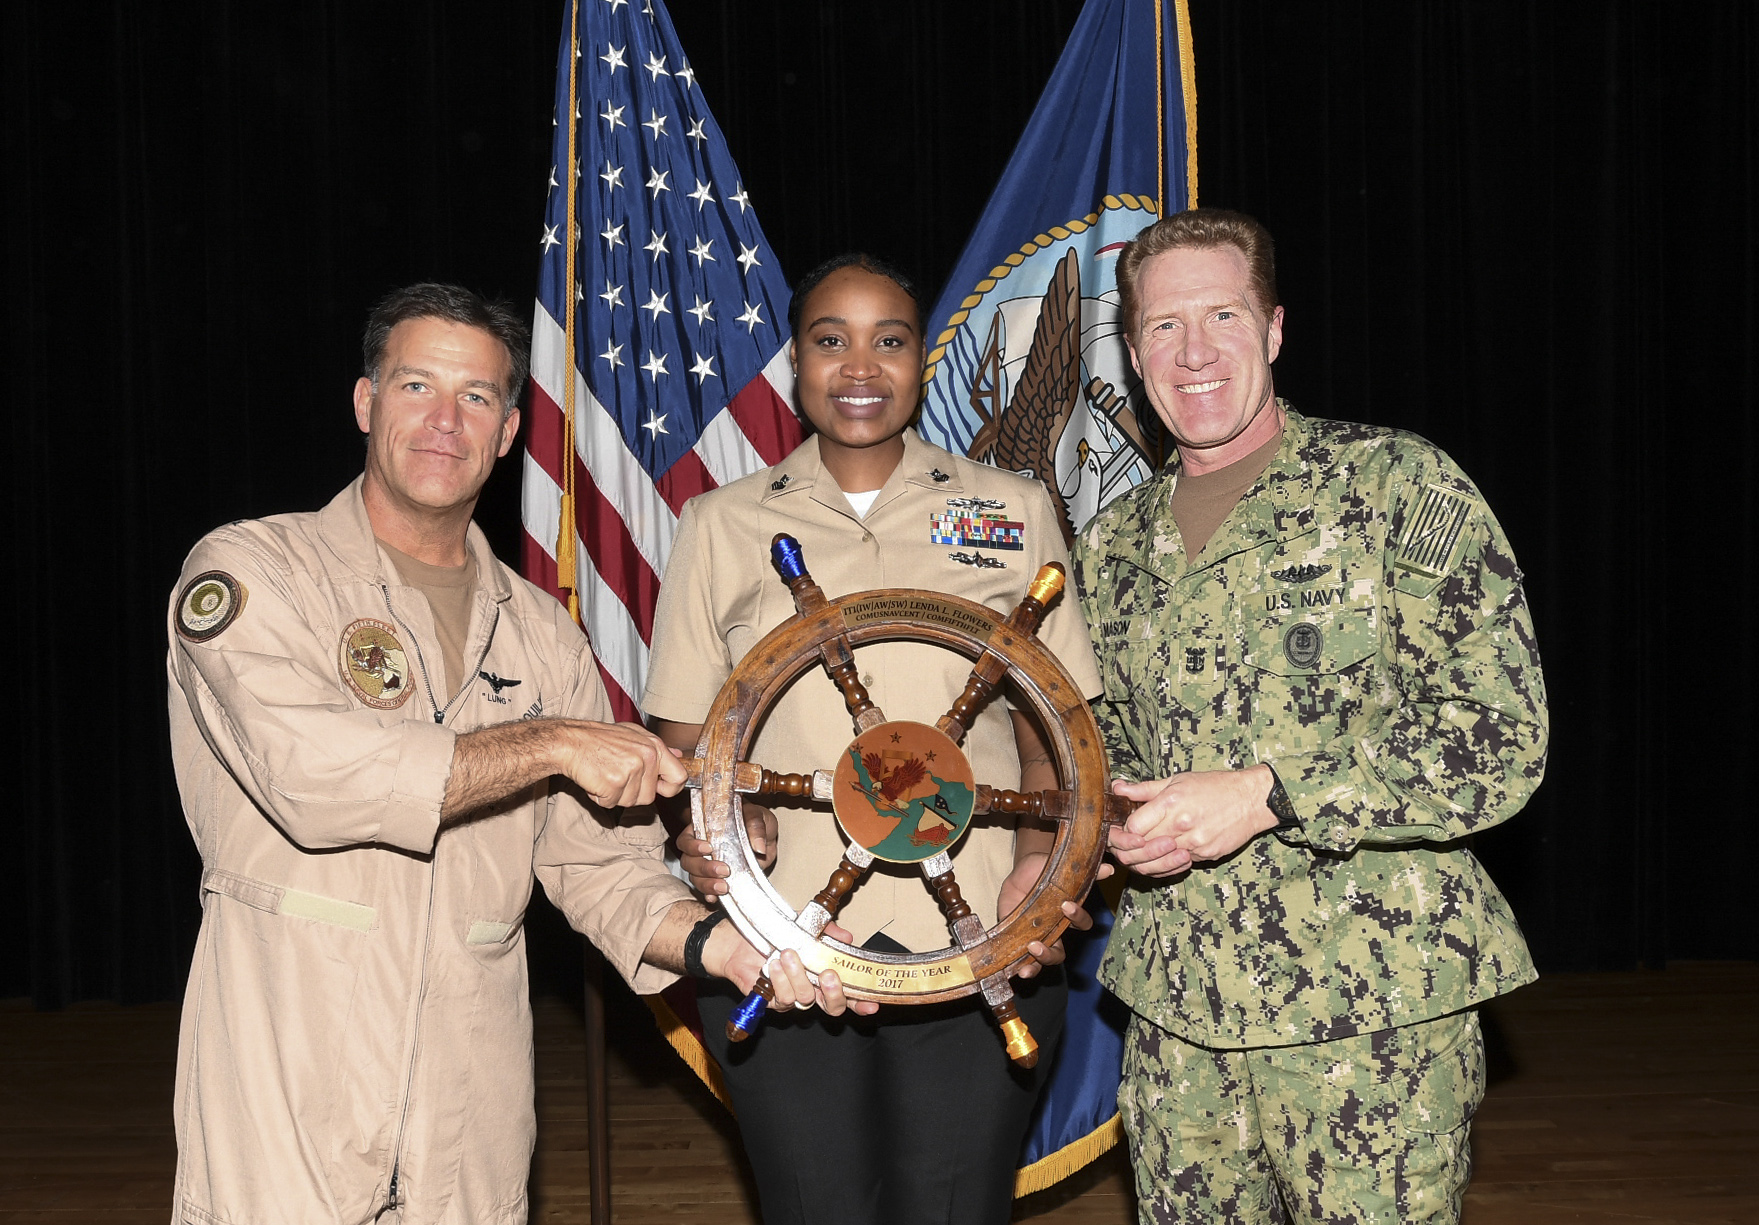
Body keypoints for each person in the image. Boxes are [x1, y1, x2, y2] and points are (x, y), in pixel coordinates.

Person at [164, 283, 845, 1225]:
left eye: (476, 397)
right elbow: (315, 779)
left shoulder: (538, 636)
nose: (444, 421)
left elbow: (596, 866)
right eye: (416, 387)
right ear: (366, 403)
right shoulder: (253, 573)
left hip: (468, 1104)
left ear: (510, 428)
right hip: (288, 1071)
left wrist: (730, 947)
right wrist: (556, 741)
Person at [1070, 209, 1548, 1223]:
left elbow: (1498, 739)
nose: (1193, 352)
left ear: (1274, 329)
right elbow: (1110, 748)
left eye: (1222, 316)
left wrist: (1268, 793)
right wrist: (1097, 827)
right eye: (1162, 327)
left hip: (1369, 1015)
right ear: (1131, 347)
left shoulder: (1392, 486)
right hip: (1177, 1017)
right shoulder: (1113, 543)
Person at [643, 254, 1107, 1225]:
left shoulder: (1013, 511)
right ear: (794, 367)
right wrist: (725, 832)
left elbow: (1054, 730)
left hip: (982, 932)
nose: (860, 364)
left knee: (953, 1209)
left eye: (888, 339)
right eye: (830, 339)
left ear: (921, 363)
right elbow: (687, 737)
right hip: (786, 948)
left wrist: (1035, 864)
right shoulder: (720, 524)